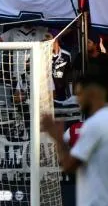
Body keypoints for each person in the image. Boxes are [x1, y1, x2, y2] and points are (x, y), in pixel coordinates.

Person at [42, 72, 108, 206]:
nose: (77, 100)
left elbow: (69, 165)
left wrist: (57, 137)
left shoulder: (95, 124)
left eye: (79, 94)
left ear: (92, 93)